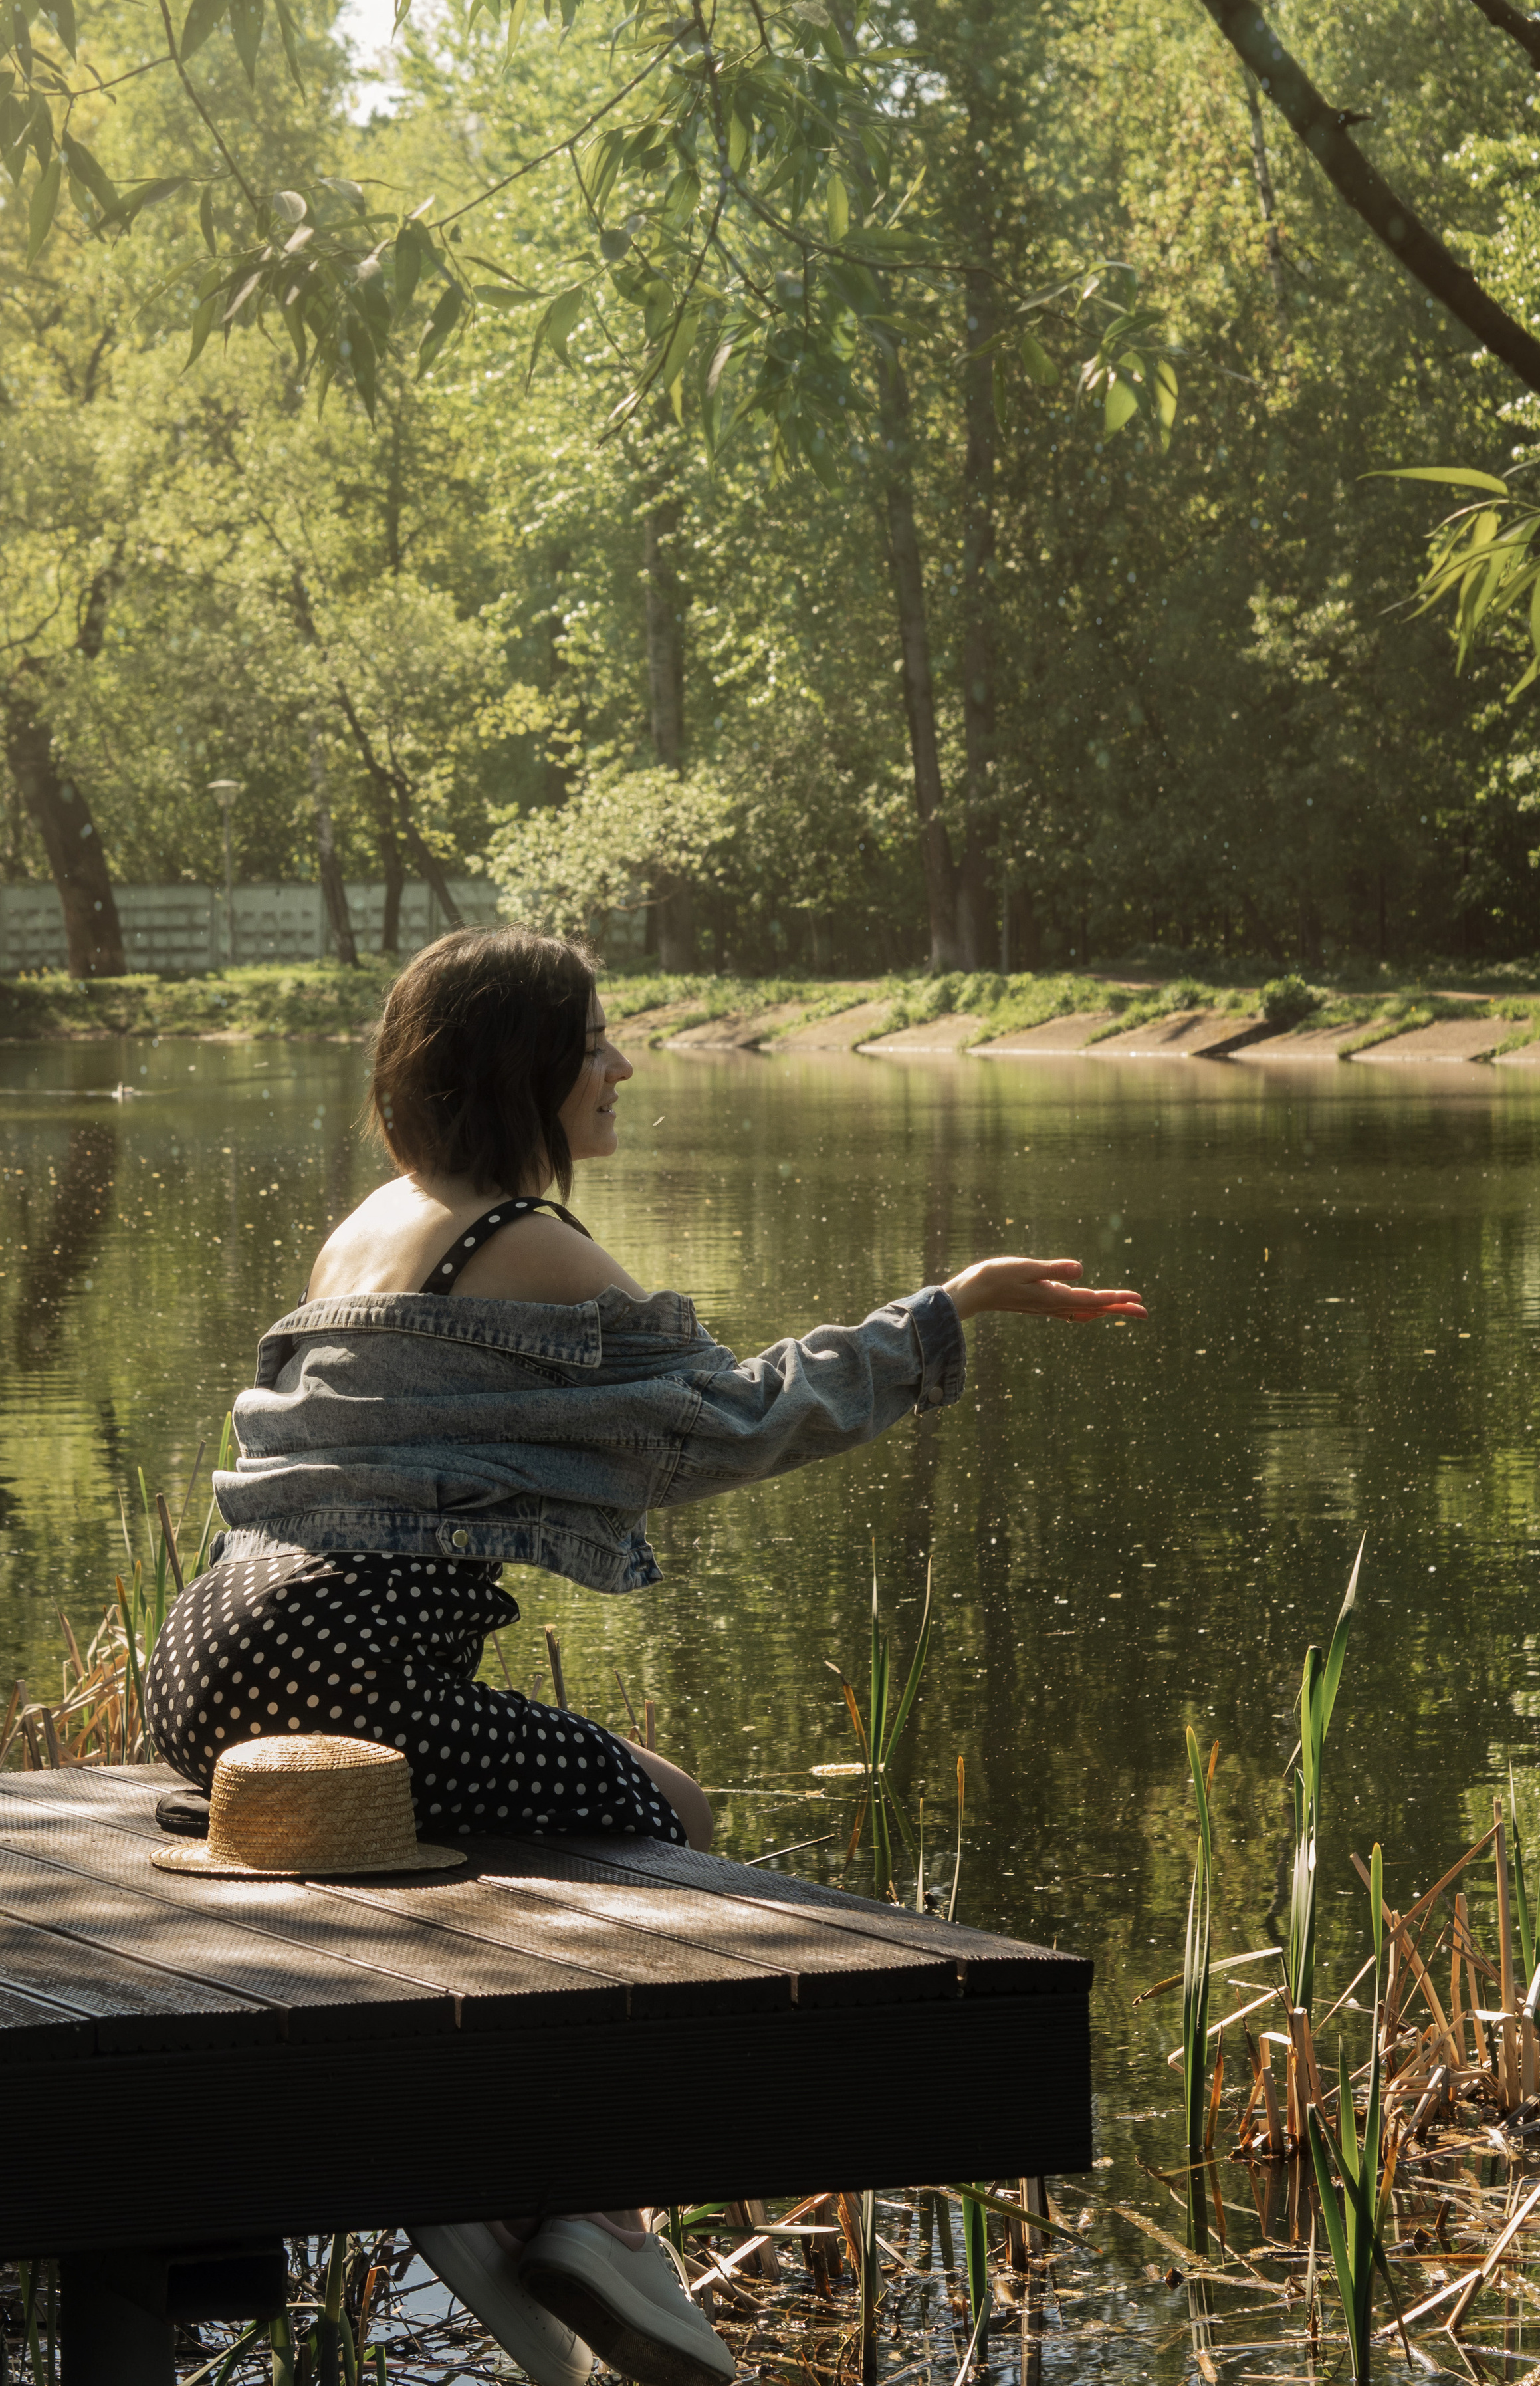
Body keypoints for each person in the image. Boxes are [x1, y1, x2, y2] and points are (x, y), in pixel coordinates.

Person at [146, 925, 1145, 2386]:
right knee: (662, 1813)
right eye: (593, 1042)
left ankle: (532, 2186)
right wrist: (947, 1310)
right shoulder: (525, 1242)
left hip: (208, 1659)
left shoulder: (372, 1220)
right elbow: (727, 1421)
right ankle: (581, 2213)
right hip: (336, 1666)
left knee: (604, 1811)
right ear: (522, 1071)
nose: (621, 1064)